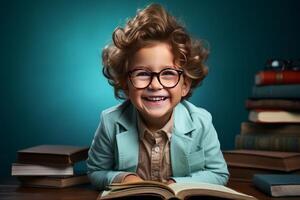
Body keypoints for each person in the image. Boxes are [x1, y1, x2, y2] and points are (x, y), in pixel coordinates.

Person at [87, 3, 229, 190]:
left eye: (168, 73)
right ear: (125, 84)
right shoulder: (110, 122)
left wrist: (176, 184)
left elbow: (219, 174)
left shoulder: (201, 122)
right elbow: (95, 171)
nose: (155, 85)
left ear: (185, 85)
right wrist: (124, 178)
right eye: (142, 73)